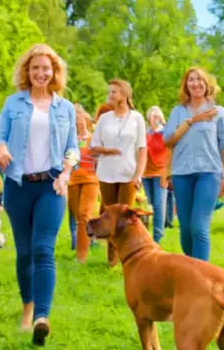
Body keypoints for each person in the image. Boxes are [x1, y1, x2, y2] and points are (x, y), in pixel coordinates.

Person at [0, 44, 79, 346]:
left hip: (52, 186)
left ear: (55, 73)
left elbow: (73, 148)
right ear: (27, 72)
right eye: (35, 68)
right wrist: (1, 150)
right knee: (25, 251)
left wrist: (67, 172)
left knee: (44, 249)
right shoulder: (13, 104)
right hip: (18, 184)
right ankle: (27, 306)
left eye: (47, 68)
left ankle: (42, 316)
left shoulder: (65, 108)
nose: (41, 73)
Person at [163, 66, 224, 261]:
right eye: (191, 80)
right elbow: (168, 140)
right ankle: (192, 269)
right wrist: (193, 120)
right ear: (186, 86)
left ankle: (201, 275)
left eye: (200, 79)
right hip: (181, 173)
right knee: (185, 227)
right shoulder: (178, 112)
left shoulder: (218, 112)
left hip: (209, 173)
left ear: (207, 84)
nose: (196, 83)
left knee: (199, 226)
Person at [89, 80, 147, 266]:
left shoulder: (136, 118)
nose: (110, 95)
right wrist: (108, 151)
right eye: (109, 91)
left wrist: (138, 174)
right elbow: (93, 147)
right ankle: (111, 259)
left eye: (114, 92)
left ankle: (129, 256)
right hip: (106, 173)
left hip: (128, 173)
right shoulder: (104, 119)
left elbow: (142, 149)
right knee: (108, 215)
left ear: (124, 94)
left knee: (125, 216)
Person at [68, 111, 100, 263]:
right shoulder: (70, 140)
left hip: (90, 179)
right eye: (76, 120)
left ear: (87, 121)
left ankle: (81, 257)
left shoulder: (93, 139)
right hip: (73, 180)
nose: (78, 123)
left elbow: (99, 159)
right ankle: (91, 237)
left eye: (81, 120)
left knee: (83, 215)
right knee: (78, 216)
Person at [141, 106, 170, 244]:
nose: (154, 120)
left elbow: (164, 146)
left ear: (161, 118)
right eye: (151, 117)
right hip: (146, 174)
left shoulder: (165, 132)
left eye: (156, 116)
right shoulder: (145, 133)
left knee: (159, 205)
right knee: (152, 203)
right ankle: (150, 235)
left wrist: (156, 127)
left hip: (160, 173)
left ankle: (157, 239)